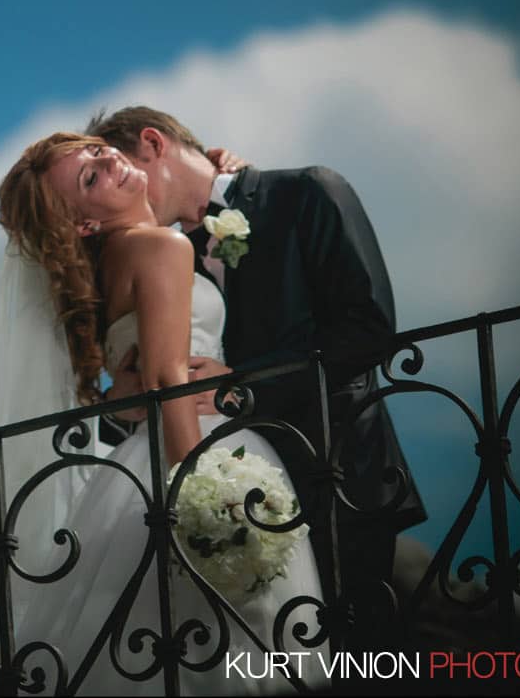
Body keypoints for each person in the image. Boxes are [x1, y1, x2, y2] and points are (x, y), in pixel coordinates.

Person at [0, 132, 325, 695]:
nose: (106, 158)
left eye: (93, 150)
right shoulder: (162, 247)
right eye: (89, 177)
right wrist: (205, 493)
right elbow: (164, 380)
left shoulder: (108, 268)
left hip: (133, 471)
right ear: (83, 225)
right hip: (197, 448)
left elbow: (134, 385)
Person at [88, 105, 426, 646]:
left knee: (360, 660)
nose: (128, 195)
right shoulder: (163, 253)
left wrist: (241, 383)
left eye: (126, 168)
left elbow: (368, 329)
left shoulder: (306, 192)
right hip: (229, 488)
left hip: (335, 474)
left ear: (153, 143)